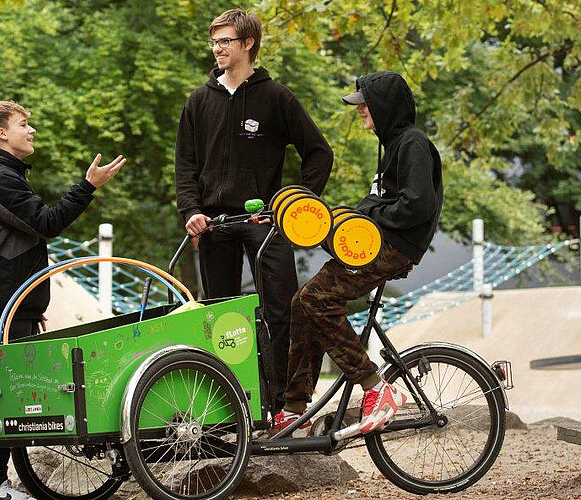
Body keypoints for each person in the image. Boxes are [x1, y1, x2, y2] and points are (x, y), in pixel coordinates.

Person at [175, 9, 334, 412]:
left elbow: (319, 154)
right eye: (214, 41)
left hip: (266, 223)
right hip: (213, 224)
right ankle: (230, 408)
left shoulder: (276, 97)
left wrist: (294, 208)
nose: (217, 48)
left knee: (282, 311)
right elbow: (185, 165)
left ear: (248, 44)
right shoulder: (198, 101)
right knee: (219, 317)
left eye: (225, 41)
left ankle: (284, 406)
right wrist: (191, 209)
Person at [0, 100, 125, 500]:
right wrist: (87, 186)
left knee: (8, 391)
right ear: (2, 133)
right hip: (7, 302)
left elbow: (23, 242)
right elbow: (47, 224)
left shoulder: (6, 175)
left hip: (14, 303)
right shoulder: (1, 178)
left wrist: (31, 307)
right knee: (1, 392)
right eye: (24, 124)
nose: (31, 130)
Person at [272, 71, 444, 435]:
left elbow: (418, 205)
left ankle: (375, 385)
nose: (360, 110)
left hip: (395, 247)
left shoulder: (412, 143)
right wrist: (353, 214)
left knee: (318, 299)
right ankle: (294, 410)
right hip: (376, 242)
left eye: (365, 105)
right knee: (302, 302)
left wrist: (370, 213)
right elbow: (381, 201)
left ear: (385, 106)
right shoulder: (393, 145)